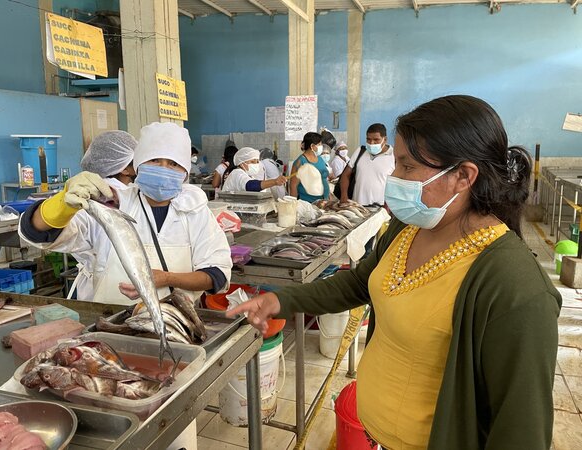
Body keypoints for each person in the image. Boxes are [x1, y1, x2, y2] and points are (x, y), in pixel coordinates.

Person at [228, 95, 561, 450]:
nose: (394, 177)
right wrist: (281, 300)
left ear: (463, 176)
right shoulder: (407, 228)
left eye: (407, 166)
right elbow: (359, 284)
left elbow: (520, 428)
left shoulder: (514, 287)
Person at [19, 122, 232, 305]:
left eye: (174, 163)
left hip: (177, 320)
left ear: (185, 171)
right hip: (110, 320)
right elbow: (37, 232)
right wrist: (61, 205)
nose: (163, 168)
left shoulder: (194, 210)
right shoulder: (110, 203)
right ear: (137, 164)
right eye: (154, 160)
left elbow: (217, 274)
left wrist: (167, 278)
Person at [339, 123, 395, 206]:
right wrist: (344, 195)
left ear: (385, 139)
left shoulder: (394, 156)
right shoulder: (360, 152)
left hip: (380, 207)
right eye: (368, 139)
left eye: (376, 140)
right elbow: (346, 174)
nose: (371, 143)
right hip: (357, 206)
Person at [221, 147, 286, 192]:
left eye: (257, 162)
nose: (256, 164)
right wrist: (274, 182)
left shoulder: (249, 175)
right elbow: (250, 186)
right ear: (242, 163)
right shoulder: (237, 173)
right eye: (252, 162)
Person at [289, 132, 330, 202]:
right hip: (307, 203)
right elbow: (293, 186)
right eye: (319, 144)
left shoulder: (320, 159)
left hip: (324, 201)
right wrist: (294, 204)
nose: (321, 147)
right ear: (312, 146)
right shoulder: (300, 162)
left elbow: (324, 177)